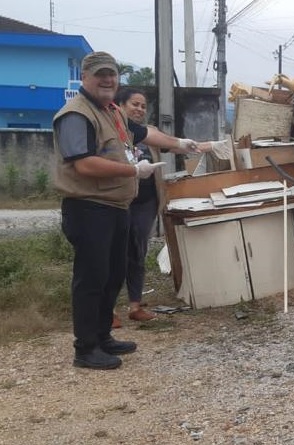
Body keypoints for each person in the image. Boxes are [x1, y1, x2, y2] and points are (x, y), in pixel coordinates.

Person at [53, 51, 200, 369]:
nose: (107, 80)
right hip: (89, 208)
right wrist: (133, 172)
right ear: (85, 77)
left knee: (112, 275)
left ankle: (103, 336)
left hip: (116, 207)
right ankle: (85, 348)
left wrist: (180, 143)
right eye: (100, 74)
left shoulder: (111, 112)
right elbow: (83, 163)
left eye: (112, 75)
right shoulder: (76, 114)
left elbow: (143, 133)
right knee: (91, 279)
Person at [112, 87, 216, 325]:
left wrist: (213, 145)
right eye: (134, 104)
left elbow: (177, 146)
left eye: (143, 106)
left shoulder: (150, 133)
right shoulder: (112, 131)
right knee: (114, 254)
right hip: (117, 202)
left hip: (146, 203)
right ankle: (107, 310)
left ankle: (135, 305)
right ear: (120, 105)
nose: (139, 109)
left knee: (137, 252)